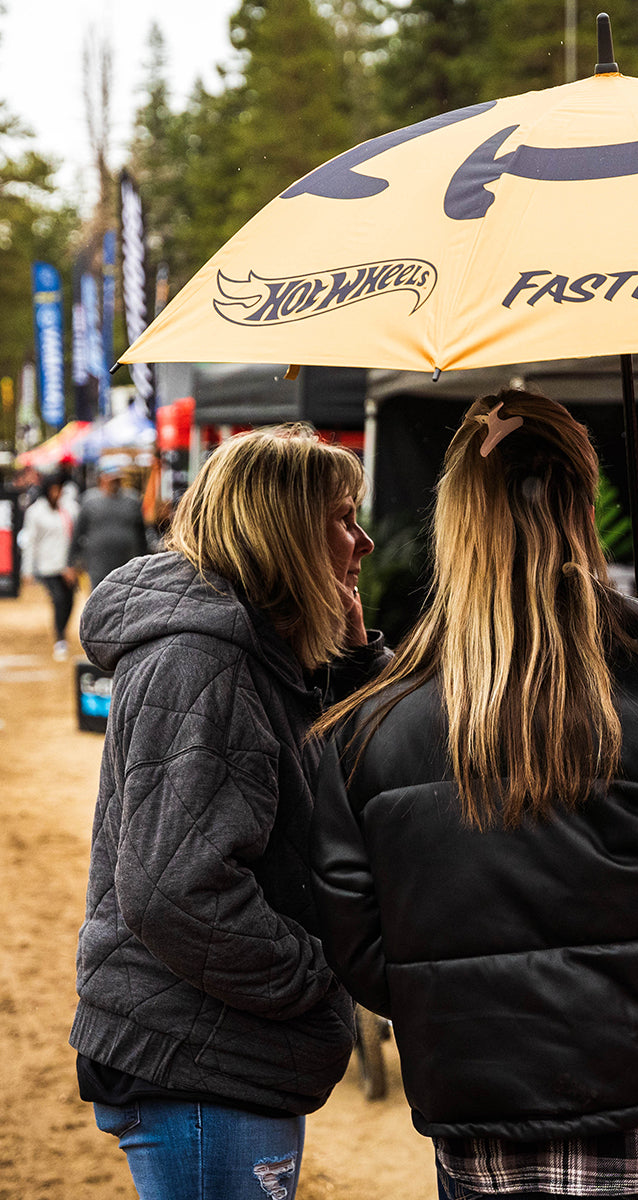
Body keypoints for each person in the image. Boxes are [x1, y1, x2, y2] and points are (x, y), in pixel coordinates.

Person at [309, 388, 638, 1200]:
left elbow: (370, 961)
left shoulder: (366, 728)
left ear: (455, 521)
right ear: (583, 506)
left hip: (480, 1131)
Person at [71, 424, 387, 1200]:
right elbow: (175, 890)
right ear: (284, 533)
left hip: (222, 1055)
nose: (366, 542)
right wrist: (320, 973)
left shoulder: (257, 651)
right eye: (343, 519)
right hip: (201, 1062)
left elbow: (347, 791)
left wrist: (352, 668)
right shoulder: (201, 661)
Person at [21, 469, 79, 659]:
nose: (57, 493)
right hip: (48, 566)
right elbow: (31, 543)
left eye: (59, 489)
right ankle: (60, 638)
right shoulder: (35, 512)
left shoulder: (70, 508)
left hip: (68, 566)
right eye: (54, 490)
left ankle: (62, 632)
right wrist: (27, 570)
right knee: (59, 600)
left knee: (70, 602)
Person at [68, 456, 149, 587]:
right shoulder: (89, 502)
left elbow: (142, 535)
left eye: (117, 480)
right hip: (99, 565)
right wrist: (70, 563)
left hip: (128, 564)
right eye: (111, 479)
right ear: (101, 479)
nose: (115, 483)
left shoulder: (132, 501)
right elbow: (77, 534)